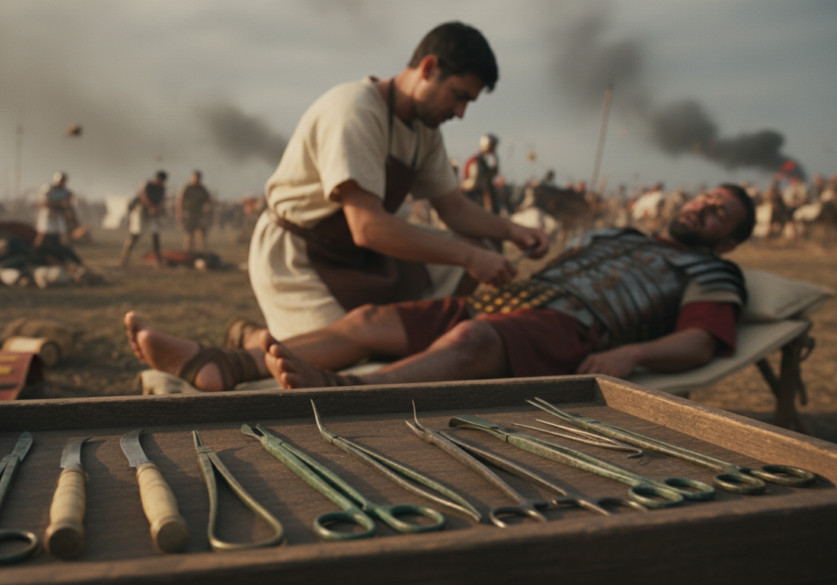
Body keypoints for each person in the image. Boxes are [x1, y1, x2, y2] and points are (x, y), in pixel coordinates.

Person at [125, 184, 755, 393]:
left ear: (728, 241)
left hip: (574, 329)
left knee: (471, 341)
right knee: (370, 318)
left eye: (719, 212)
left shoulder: (712, 273)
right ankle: (223, 363)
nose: (703, 207)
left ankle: (349, 392)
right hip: (515, 301)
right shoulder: (614, 234)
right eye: (705, 197)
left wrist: (633, 354)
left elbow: (701, 342)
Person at [248, 21, 548, 340]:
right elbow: (367, 227)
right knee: (345, 359)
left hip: (361, 256)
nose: (460, 113)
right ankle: (250, 338)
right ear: (429, 69)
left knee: (460, 271)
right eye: (458, 96)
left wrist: (513, 231)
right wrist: (470, 257)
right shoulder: (354, 110)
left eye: (467, 103)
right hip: (299, 257)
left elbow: (453, 207)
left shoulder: (425, 131)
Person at [121, 170, 168, 267]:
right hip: (140, 211)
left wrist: (158, 209)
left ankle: (158, 260)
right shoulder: (147, 184)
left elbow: (162, 200)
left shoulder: (162, 188)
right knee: (134, 235)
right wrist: (150, 207)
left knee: (155, 235)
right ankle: (124, 258)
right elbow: (143, 196)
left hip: (153, 213)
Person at [460, 133, 500, 213]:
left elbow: (492, 174)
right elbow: (480, 182)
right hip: (473, 194)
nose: (494, 148)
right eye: (492, 145)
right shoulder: (477, 161)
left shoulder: (482, 160)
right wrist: (488, 203)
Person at [35, 172, 75, 249]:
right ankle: (36, 250)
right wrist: (59, 204)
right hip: (48, 214)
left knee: (60, 235)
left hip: (59, 215)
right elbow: (44, 202)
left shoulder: (65, 191)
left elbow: (68, 202)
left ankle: (57, 251)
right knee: (43, 233)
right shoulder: (49, 188)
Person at [177, 170, 212, 252]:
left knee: (200, 233)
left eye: (198, 178)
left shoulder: (202, 189)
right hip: (188, 214)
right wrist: (179, 213)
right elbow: (179, 201)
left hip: (199, 214)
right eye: (195, 177)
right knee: (189, 233)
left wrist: (208, 210)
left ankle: (200, 252)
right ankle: (187, 252)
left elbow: (208, 201)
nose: (196, 179)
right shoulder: (187, 188)